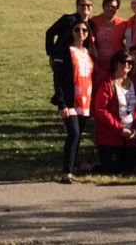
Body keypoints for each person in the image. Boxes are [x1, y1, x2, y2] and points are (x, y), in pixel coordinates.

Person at [49, 19, 95, 184]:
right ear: (71, 32)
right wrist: (62, 104)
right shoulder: (65, 51)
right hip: (70, 101)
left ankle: (72, 167)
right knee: (73, 134)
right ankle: (66, 173)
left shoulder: (88, 52)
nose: (81, 33)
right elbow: (58, 79)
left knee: (78, 135)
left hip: (85, 99)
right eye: (77, 30)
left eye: (84, 30)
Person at [92, 53, 136, 175]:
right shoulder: (106, 84)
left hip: (132, 136)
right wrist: (120, 129)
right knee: (112, 170)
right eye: (123, 62)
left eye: (130, 63)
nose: (126, 65)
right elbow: (101, 110)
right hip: (111, 136)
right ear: (115, 64)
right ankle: (89, 165)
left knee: (129, 169)